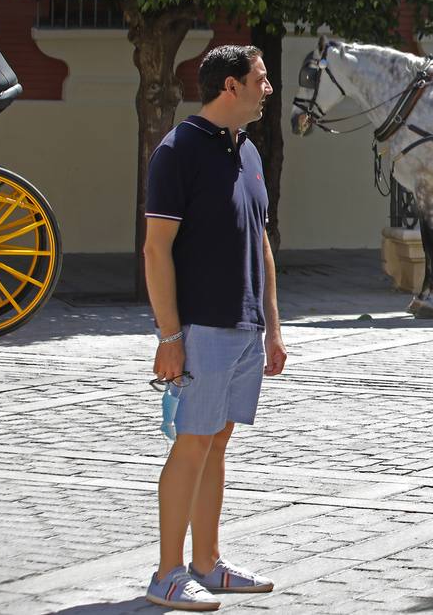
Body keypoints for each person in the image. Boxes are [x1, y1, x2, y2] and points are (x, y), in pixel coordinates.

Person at [144, 45, 287, 610]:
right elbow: (156, 250)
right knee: (192, 442)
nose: (268, 88)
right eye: (261, 78)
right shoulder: (177, 152)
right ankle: (166, 574)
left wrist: (273, 327)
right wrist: (170, 338)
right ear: (231, 86)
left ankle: (206, 563)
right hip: (200, 327)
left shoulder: (249, 152)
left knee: (217, 443)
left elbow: (261, 243)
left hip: (245, 327)